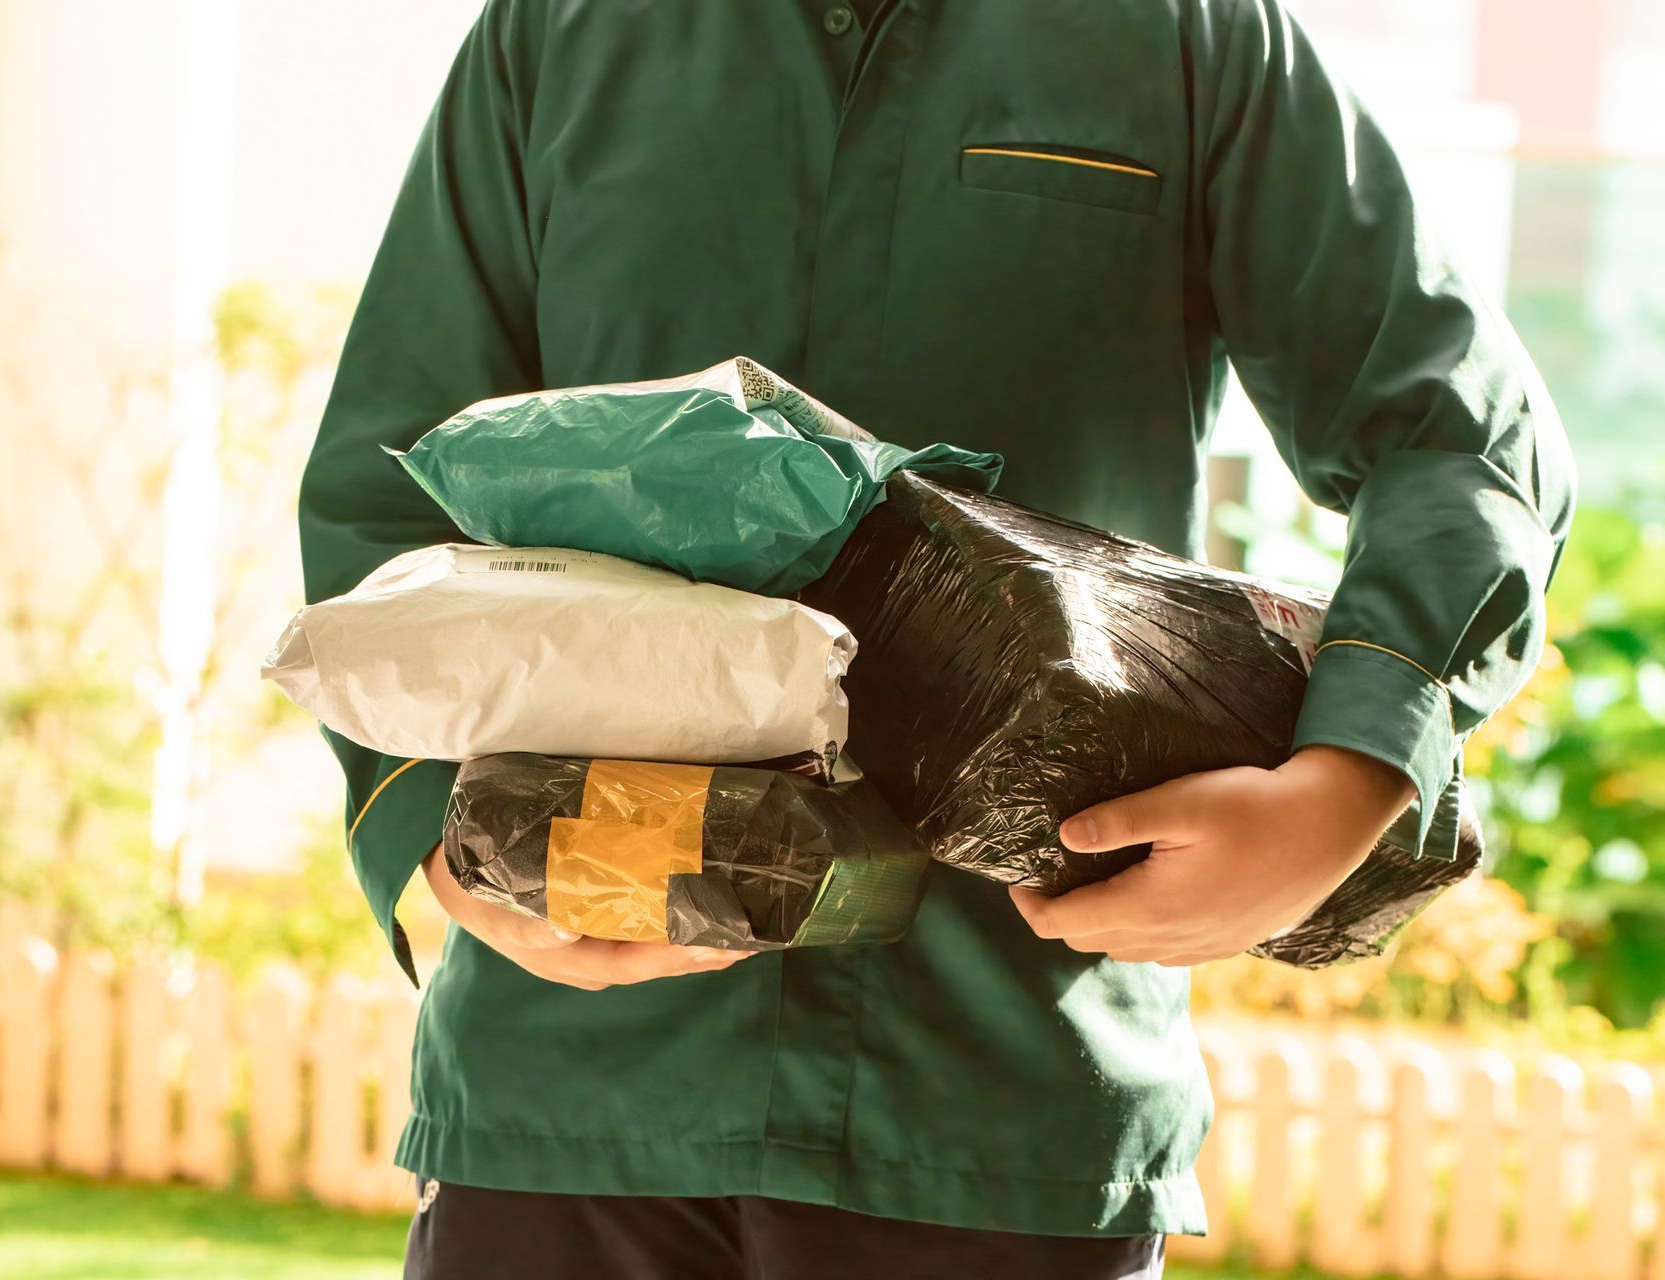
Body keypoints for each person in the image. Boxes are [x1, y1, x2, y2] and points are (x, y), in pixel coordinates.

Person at [298, 2, 1575, 1276]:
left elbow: (1459, 441)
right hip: (561, 1101)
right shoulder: (557, 32)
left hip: (998, 1089)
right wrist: (444, 852)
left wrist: (1349, 777)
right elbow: (388, 485)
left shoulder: (1189, 37)